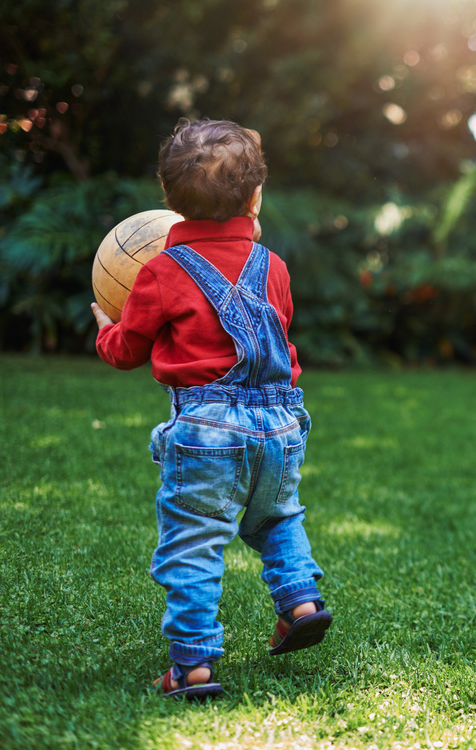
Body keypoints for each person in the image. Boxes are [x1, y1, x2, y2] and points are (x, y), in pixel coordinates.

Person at [92, 118, 331, 698]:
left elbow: (128, 352)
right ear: (255, 199)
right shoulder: (273, 267)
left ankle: (194, 664)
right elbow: (274, 337)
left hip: (206, 431)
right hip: (280, 423)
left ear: (168, 200)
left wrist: (106, 327)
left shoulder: (160, 271)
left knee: (194, 544)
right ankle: (300, 603)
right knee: (278, 518)